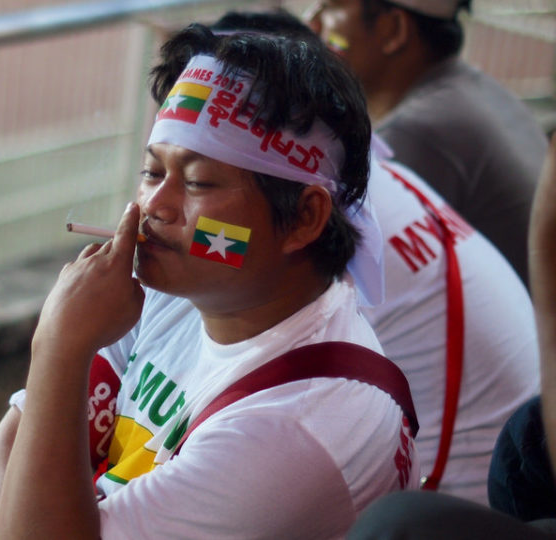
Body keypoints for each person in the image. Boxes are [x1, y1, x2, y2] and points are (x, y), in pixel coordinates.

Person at [0, 24, 418, 539]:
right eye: (152, 171)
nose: (153, 207)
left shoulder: (294, 429)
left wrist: (58, 347)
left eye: (198, 182)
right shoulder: (179, 290)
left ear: (303, 218)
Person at [212, 8, 539, 505]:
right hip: (522, 466)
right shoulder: (368, 163)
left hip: (468, 501)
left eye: (194, 176)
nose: (316, 18)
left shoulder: (320, 202)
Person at [346, 136, 556, 540]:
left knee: (395, 527)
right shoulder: (383, 169)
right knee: (524, 438)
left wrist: (547, 255)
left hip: (454, 486)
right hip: (503, 474)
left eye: (199, 181)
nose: (181, 204)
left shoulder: (419, 133)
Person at [306, 0, 547, 285]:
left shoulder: (417, 132)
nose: (314, 22)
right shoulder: (473, 90)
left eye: (333, 6)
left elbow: (334, 273)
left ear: (393, 30)